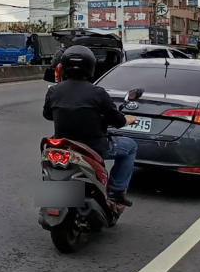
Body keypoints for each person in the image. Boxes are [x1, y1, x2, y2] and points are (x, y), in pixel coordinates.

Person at [43, 45, 138, 206]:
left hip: (64, 146)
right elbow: (118, 121)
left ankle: (55, 196)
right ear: (90, 67)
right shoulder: (98, 93)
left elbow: (47, 115)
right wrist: (129, 119)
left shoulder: (54, 91)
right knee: (130, 146)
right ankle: (116, 191)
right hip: (94, 147)